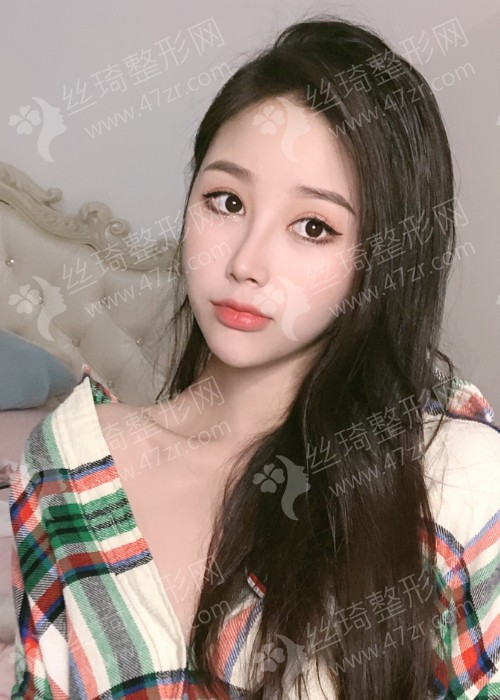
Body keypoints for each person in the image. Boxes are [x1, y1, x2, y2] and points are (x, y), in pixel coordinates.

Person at [9, 13, 500, 700]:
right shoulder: (68, 463)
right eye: (227, 201)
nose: (246, 262)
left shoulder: (451, 476)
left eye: (313, 227)